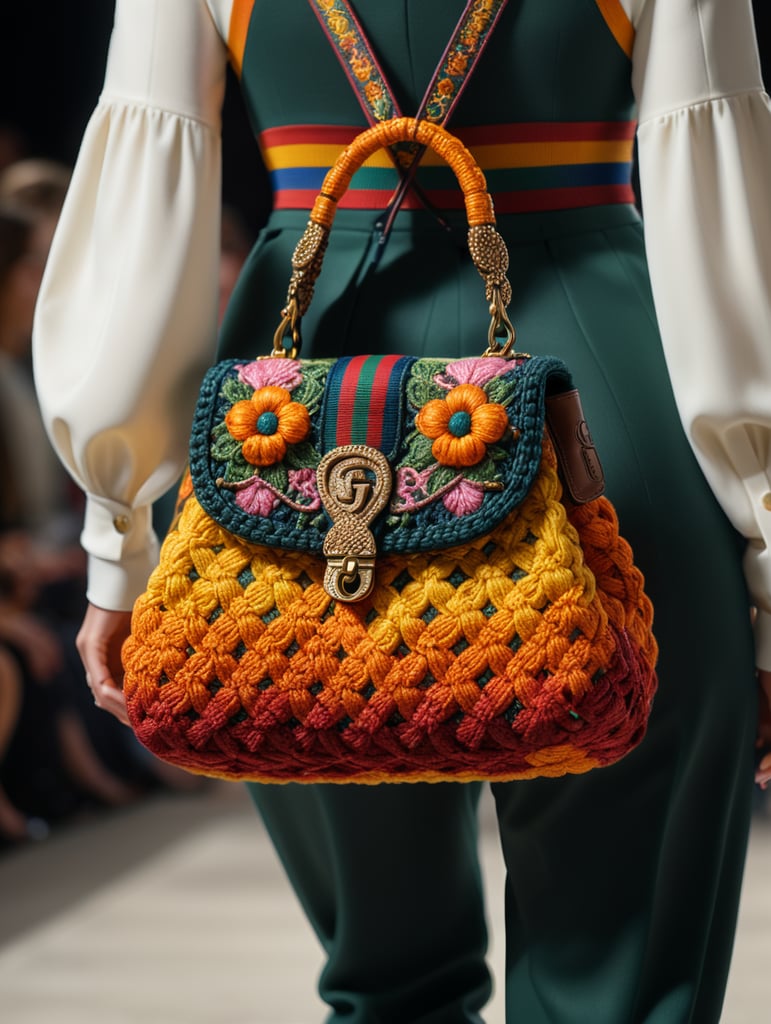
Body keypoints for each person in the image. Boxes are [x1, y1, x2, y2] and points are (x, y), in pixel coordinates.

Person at [32, 2, 771, 1021]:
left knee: (386, 973)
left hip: (291, 432)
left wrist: (119, 537)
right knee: (628, 975)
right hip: (606, 411)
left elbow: (144, 210)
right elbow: (720, 195)